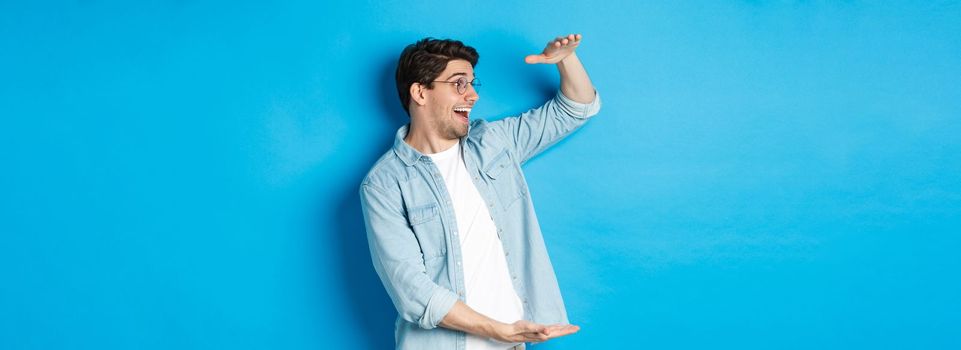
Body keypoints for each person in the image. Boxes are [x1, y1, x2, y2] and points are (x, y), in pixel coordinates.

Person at [359, 33, 600, 350]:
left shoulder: (494, 142)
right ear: (420, 92)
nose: (472, 95)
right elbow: (412, 292)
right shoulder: (383, 184)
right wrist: (497, 329)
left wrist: (565, 60)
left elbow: (576, 109)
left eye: (473, 84)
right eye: (459, 83)